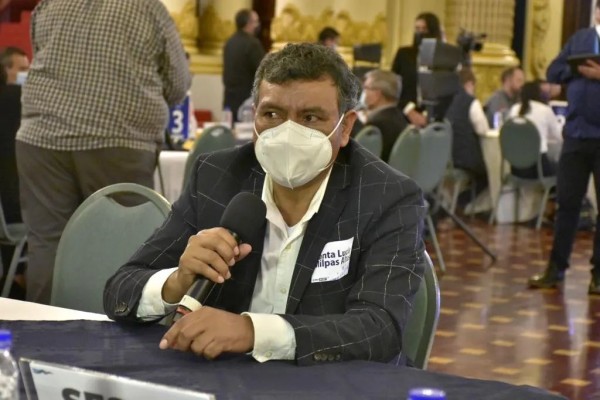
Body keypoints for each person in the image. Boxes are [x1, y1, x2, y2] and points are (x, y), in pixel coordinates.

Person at [104, 43, 426, 366]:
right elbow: (120, 290)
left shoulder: (386, 196)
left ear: (345, 128)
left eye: (310, 117)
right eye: (272, 114)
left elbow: (379, 329)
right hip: (224, 378)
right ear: (254, 116)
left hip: (331, 381)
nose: (288, 132)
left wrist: (252, 332)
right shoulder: (218, 177)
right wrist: (178, 281)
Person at [16, 0, 191, 304]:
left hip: (42, 138)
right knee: (122, 246)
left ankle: (40, 328)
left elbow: (39, 52)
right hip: (118, 138)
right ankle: (115, 327)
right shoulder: (147, 9)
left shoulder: (50, 3)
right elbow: (178, 85)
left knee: (46, 245)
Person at [528, 0, 600, 294]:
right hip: (576, 134)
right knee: (567, 203)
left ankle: (598, 275)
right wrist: (576, 70)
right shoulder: (580, 39)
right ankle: (555, 268)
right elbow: (553, 71)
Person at [391, 12, 442, 128]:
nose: (420, 33)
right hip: (404, 114)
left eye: (424, 29)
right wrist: (409, 110)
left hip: (433, 117)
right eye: (417, 28)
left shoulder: (442, 58)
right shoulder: (404, 54)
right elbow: (393, 87)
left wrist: (427, 115)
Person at [444, 68, 489, 196]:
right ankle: (462, 203)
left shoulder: (448, 101)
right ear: (469, 84)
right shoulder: (470, 101)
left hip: (449, 158)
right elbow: (483, 129)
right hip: (466, 159)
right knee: (486, 177)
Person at [507, 81, 562, 178]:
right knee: (565, 167)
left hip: (516, 169)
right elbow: (559, 136)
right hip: (539, 168)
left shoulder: (514, 109)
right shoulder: (545, 110)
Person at [223, 9, 265, 122]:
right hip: (247, 103)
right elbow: (263, 71)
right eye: (256, 21)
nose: (258, 25)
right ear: (249, 23)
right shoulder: (253, 44)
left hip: (229, 100)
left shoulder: (229, 42)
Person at [360, 69, 406, 162]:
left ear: (377, 94)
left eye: (366, 88)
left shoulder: (376, 125)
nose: (363, 92)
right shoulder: (401, 118)